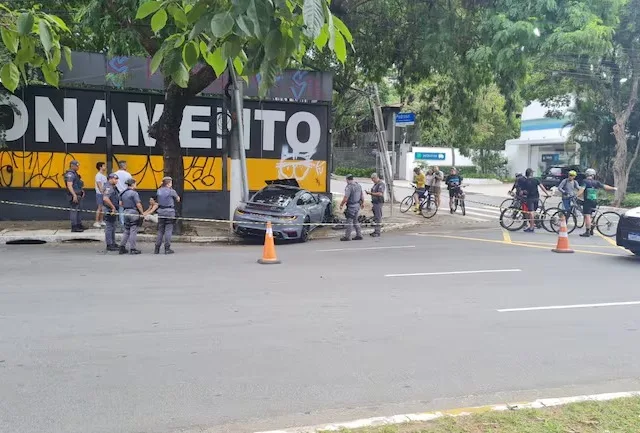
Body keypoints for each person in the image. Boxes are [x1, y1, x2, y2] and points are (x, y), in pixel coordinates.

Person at [577, 168, 617, 237]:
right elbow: (605, 187)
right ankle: (592, 230)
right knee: (591, 215)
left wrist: (576, 195)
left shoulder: (585, 181)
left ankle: (587, 232)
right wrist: (613, 188)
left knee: (587, 216)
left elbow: (582, 190)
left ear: (586, 174)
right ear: (593, 175)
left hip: (587, 201)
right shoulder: (596, 182)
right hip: (594, 201)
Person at [152, 176, 181, 254]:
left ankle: (157, 248)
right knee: (168, 230)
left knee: (160, 230)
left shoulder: (159, 191)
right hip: (169, 212)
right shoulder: (171, 191)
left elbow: (157, 198)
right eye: (171, 182)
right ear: (168, 184)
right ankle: (167, 248)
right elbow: (178, 199)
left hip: (160, 211)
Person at [118, 177, 145, 255]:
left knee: (126, 230)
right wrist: (142, 213)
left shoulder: (122, 193)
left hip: (125, 212)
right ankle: (132, 248)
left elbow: (120, 204)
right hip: (133, 212)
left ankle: (122, 247)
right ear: (133, 184)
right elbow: (138, 204)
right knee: (133, 230)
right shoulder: (134, 193)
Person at [521, 168, 551, 233]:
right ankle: (534, 223)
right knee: (533, 212)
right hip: (537, 198)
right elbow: (542, 187)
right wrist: (547, 194)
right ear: (531, 173)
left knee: (531, 212)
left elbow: (523, 191)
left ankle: (531, 227)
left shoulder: (525, 181)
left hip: (530, 199)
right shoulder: (536, 180)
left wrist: (522, 193)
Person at [339, 174, 364, 241]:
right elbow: (362, 195)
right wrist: (362, 203)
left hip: (351, 206)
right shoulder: (358, 185)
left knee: (349, 222)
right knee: (356, 221)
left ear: (347, 179)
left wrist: (341, 204)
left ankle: (347, 236)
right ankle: (359, 235)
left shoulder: (349, 187)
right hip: (357, 205)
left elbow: (346, 198)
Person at [63, 160, 86, 232]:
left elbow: (77, 184)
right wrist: (74, 195)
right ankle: (74, 226)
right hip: (74, 195)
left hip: (78, 194)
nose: (78, 167)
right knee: (74, 211)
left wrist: (82, 191)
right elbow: (69, 185)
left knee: (79, 210)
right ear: (72, 166)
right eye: (77, 165)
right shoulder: (70, 174)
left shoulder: (75, 174)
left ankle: (79, 224)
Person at [101, 173, 120, 251]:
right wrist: (113, 207)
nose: (116, 180)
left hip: (112, 209)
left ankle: (113, 243)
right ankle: (109, 244)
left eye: (117, 179)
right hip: (109, 210)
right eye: (115, 179)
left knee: (113, 227)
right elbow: (105, 199)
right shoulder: (108, 187)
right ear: (110, 179)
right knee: (109, 227)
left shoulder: (113, 187)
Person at [366, 173, 385, 237]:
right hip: (375, 202)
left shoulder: (381, 184)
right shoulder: (376, 184)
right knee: (376, 217)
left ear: (376, 178)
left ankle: (377, 231)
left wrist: (370, 193)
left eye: (373, 179)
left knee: (378, 217)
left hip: (378, 202)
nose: (372, 180)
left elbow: (380, 194)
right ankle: (376, 230)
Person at [114, 160, 132, 227]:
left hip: (117, 193)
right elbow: (131, 184)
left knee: (120, 209)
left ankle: (122, 223)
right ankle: (127, 223)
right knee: (128, 208)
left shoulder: (115, 174)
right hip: (126, 193)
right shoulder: (128, 174)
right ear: (123, 166)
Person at [94, 162, 107, 228]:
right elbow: (99, 185)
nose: (105, 167)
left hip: (104, 194)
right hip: (99, 194)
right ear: (100, 167)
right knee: (99, 208)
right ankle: (96, 222)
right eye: (104, 166)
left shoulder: (104, 176)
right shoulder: (98, 175)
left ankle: (101, 221)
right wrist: (102, 192)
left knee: (102, 208)